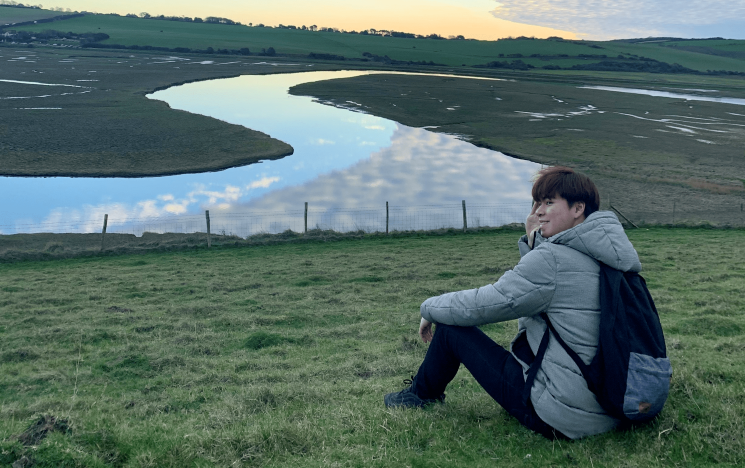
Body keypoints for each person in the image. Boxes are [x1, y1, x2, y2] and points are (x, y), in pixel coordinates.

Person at [384, 166, 642, 440]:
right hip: (608, 406)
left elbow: (484, 304)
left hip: (562, 414)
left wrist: (429, 307)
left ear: (578, 208)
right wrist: (536, 243)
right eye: (538, 203)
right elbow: (553, 290)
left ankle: (419, 396)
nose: (538, 211)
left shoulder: (553, 261)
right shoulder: (609, 256)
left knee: (450, 329)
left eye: (549, 202)